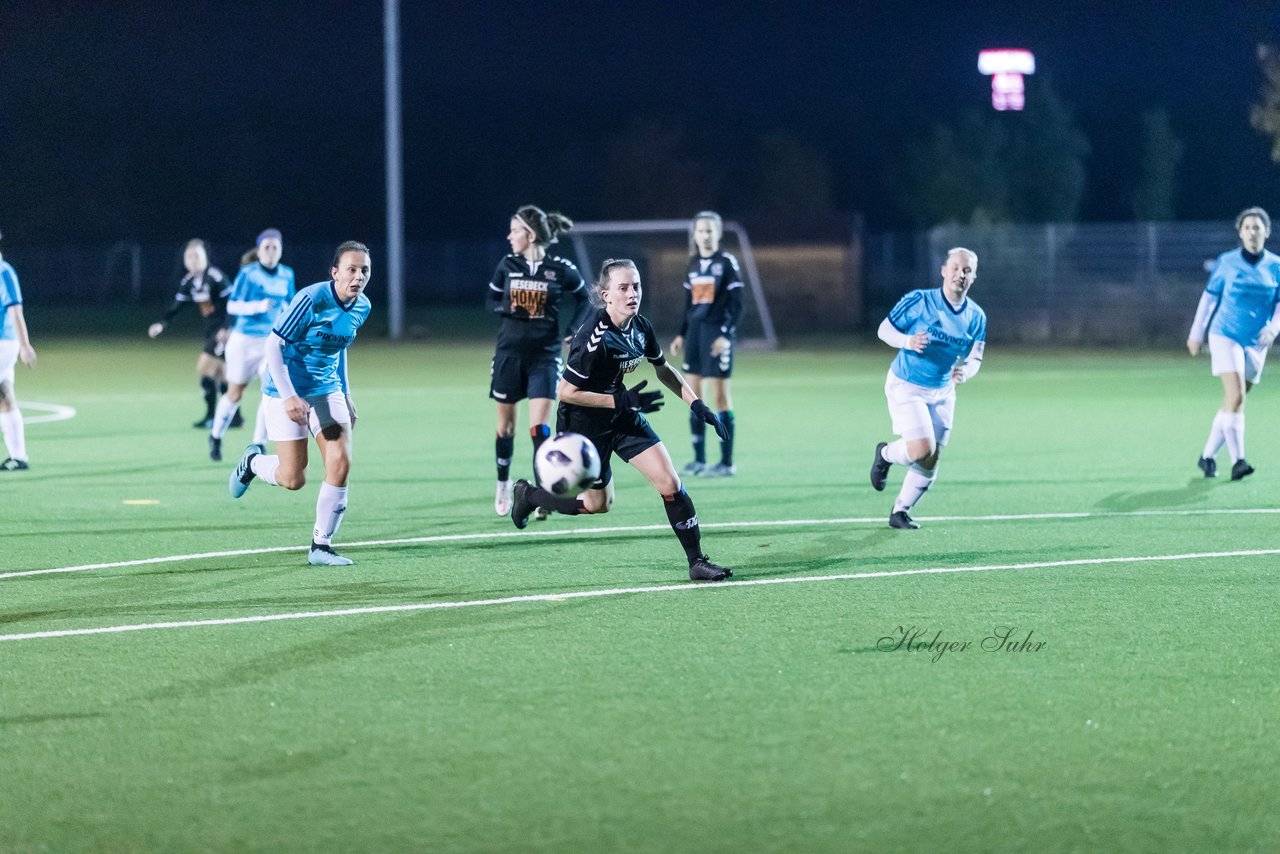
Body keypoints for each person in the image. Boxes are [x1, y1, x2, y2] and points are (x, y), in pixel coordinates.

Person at [510, 258, 734, 582]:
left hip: (623, 414)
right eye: (623, 288)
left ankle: (697, 561)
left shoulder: (640, 327)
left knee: (670, 482)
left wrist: (696, 404)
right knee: (598, 505)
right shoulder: (594, 335)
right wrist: (620, 399)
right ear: (606, 296)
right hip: (584, 427)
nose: (632, 294)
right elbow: (566, 391)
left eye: (636, 286)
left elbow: (662, 368)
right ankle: (528, 495)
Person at [228, 241, 373, 567]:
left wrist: (346, 395)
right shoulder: (310, 299)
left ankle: (321, 546)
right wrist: (290, 395)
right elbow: (274, 346)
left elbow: (339, 349)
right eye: (351, 269)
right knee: (293, 478)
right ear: (335, 273)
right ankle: (252, 464)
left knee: (340, 461)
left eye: (364, 270)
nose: (358, 276)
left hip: (326, 391)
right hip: (284, 389)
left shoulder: (362, 307)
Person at [868, 247, 986, 529]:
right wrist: (907, 341)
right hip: (907, 384)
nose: (960, 274)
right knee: (922, 448)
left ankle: (900, 511)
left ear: (973, 277)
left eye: (967, 271)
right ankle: (885, 454)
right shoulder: (920, 301)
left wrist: (965, 371)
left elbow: (976, 357)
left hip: (943, 391)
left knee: (932, 457)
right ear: (944, 270)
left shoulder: (977, 317)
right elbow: (884, 329)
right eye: (955, 268)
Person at [487, 205, 589, 517]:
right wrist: (509, 306)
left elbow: (586, 299)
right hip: (508, 355)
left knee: (539, 428)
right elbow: (491, 300)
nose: (509, 236)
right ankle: (503, 483)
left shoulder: (559, 268)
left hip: (544, 358)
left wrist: (573, 330)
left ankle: (543, 492)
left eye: (514, 230)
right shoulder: (508, 264)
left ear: (529, 235)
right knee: (505, 428)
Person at [1187, 206, 1280, 481]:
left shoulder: (1276, 265)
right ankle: (1238, 461)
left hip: (1256, 343)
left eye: (1257, 227)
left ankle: (1206, 457)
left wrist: (1273, 330)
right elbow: (1209, 298)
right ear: (1240, 232)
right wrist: (1196, 333)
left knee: (1234, 401)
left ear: (1267, 231)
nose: (1253, 231)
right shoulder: (1226, 262)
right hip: (1225, 334)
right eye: (1247, 227)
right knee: (1236, 396)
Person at [208, 229, 295, 462]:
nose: (271, 251)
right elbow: (233, 306)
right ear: (258, 250)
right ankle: (216, 436)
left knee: (270, 391)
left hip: (270, 343)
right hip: (244, 342)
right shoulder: (249, 273)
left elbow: (290, 304)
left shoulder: (287, 274)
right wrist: (259, 306)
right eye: (266, 247)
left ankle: (258, 443)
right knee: (235, 394)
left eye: (275, 247)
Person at [669, 211, 743, 477]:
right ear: (695, 235)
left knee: (721, 398)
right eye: (701, 231)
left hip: (716, 335)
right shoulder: (692, 264)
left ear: (718, 233)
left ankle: (726, 462)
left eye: (710, 230)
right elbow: (689, 306)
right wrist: (681, 334)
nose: (705, 235)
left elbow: (737, 305)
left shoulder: (727, 263)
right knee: (694, 397)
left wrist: (725, 335)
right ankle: (699, 460)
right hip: (696, 336)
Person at [147, 238, 236, 429]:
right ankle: (232, 417)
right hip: (211, 331)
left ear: (205, 257)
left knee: (205, 369)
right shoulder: (189, 281)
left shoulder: (215, 276)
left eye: (197, 255)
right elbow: (178, 305)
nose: (193, 260)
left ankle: (214, 416)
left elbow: (233, 303)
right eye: (189, 256)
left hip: (223, 332)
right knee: (220, 375)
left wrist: (227, 328)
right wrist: (162, 324)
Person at [0, 228, 37, 472]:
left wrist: (25, 345)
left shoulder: (4, 273)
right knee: (4, 398)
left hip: (3, 343)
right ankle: (19, 457)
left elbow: (16, 311)